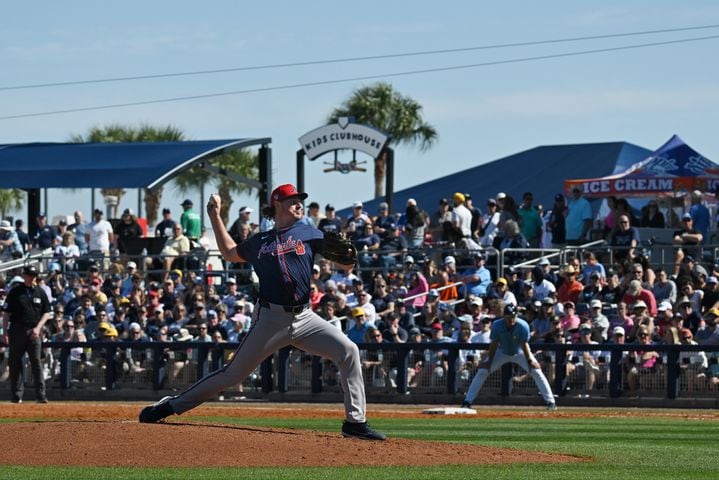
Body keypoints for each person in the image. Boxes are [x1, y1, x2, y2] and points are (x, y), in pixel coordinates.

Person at [139, 184, 385, 440]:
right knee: (233, 374)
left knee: (349, 351)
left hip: (305, 317)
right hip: (270, 318)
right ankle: (169, 406)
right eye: (293, 201)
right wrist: (215, 216)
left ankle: (355, 423)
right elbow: (229, 253)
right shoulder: (261, 240)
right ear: (277, 204)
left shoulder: (309, 232)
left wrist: (348, 258)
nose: (299, 204)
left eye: (300, 200)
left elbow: (345, 261)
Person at [461, 304, 556, 410]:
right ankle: (467, 401)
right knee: (483, 371)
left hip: (519, 352)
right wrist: (489, 361)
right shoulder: (497, 325)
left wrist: (530, 360)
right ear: (504, 316)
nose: (511, 320)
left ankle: (550, 402)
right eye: (508, 317)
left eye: (513, 317)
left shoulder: (523, 325)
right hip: (502, 351)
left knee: (536, 371)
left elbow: (524, 344)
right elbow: (494, 344)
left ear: (516, 316)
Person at [1, 265, 51, 403]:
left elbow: (47, 313)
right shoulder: (16, 292)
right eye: (30, 275)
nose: (32, 278)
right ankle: (17, 395)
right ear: (25, 276)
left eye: (34, 275)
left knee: (36, 362)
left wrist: (38, 328)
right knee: (15, 362)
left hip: (34, 331)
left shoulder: (40, 292)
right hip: (17, 330)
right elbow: (6, 313)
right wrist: (5, 332)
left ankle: (41, 395)